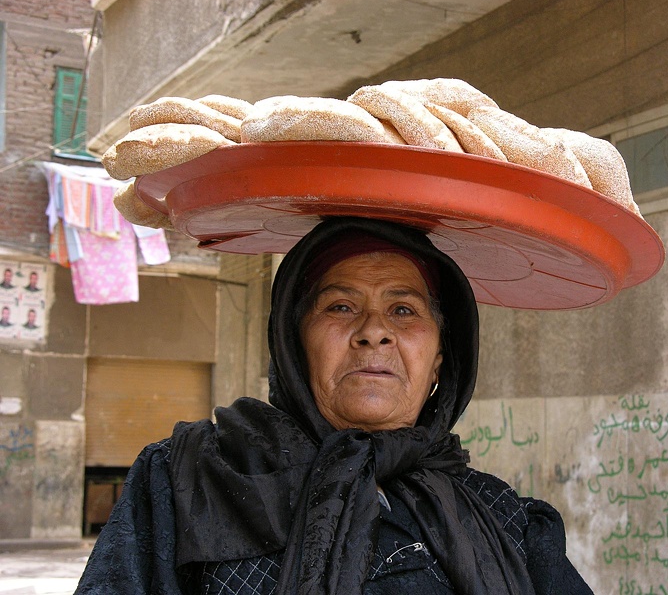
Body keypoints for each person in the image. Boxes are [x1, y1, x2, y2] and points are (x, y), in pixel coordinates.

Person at [75, 217, 593, 594]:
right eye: (341, 306)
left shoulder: (504, 519)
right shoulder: (189, 481)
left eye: (403, 309)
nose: (373, 332)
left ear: (439, 361)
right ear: (293, 345)